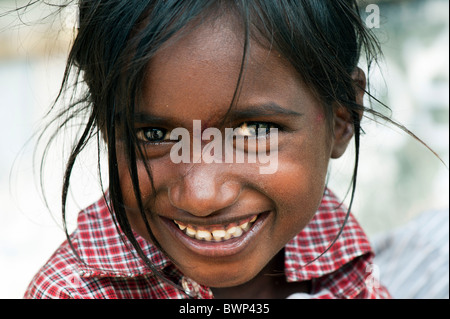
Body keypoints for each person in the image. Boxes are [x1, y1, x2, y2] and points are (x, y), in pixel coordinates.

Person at [22, 0, 406, 299]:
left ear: (343, 118)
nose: (201, 196)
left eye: (254, 131)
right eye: (155, 135)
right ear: (109, 127)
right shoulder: (71, 291)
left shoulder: (332, 243)